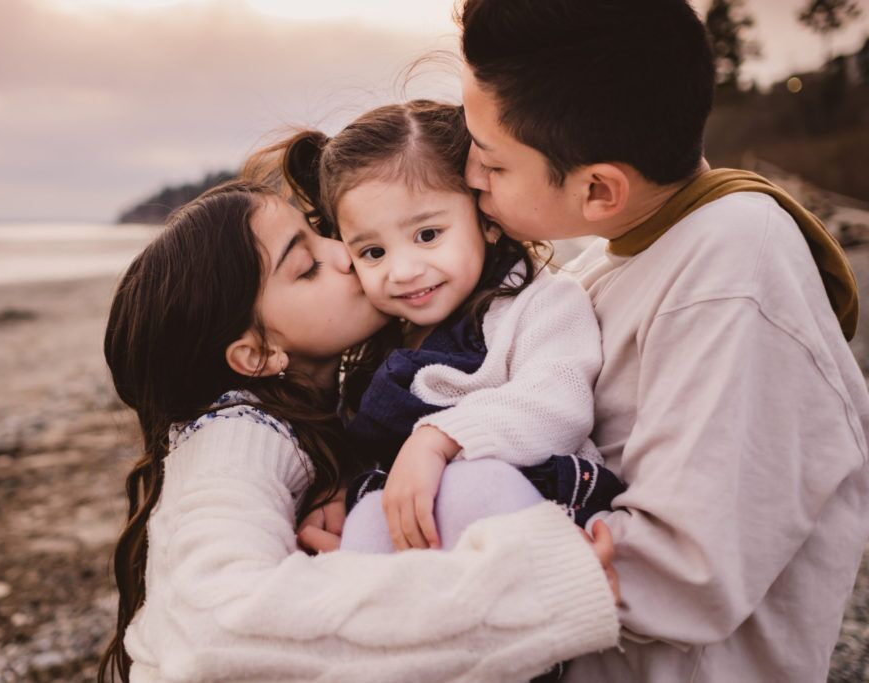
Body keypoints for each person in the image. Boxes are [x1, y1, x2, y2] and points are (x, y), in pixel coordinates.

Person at [458, 0, 869, 681]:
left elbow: (685, 569)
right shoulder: (608, 255)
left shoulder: (736, 270)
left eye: (491, 162)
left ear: (598, 189)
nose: (469, 175)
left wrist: (433, 567)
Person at [97, 179, 620, 682]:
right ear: (257, 354)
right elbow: (215, 627)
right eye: (307, 268)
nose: (344, 254)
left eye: (319, 232)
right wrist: (537, 588)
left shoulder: (336, 405)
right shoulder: (233, 438)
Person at [276, 101, 624, 557]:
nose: (402, 270)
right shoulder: (381, 339)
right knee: (366, 516)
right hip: (432, 535)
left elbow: (559, 401)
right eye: (373, 253)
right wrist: (337, 485)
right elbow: (366, 440)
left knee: (475, 481)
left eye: (427, 235)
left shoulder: (540, 302)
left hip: (535, 499)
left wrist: (438, 440)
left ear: (487, 220)